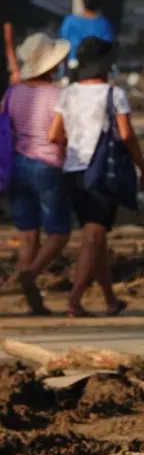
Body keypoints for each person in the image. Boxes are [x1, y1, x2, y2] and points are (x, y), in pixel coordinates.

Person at [49, 37, 144, 317]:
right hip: (102, 175)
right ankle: (74, 301)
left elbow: (54, 135)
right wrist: (143, 171)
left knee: (96, 237)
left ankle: (109, 300)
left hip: (73, 172)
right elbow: (127, 135)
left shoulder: (67, 93)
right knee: (94, 239)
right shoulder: (113, 94)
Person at [4, 33, 71, 315]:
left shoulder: (13, 92)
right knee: (59, 232)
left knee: (28, 234)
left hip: (17, 165)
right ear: (51, 65)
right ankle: (31, 273)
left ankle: (34, 302)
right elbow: (58, 135)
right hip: (47, 166)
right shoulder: (58, 95)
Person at [59, 0, 115, 81]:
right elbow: (108, 49)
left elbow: (61, 45)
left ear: (83, 2)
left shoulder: (70, 21)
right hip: (96, 70)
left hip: (72, 66)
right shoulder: (104, 24)